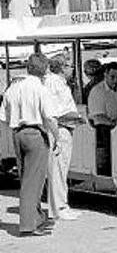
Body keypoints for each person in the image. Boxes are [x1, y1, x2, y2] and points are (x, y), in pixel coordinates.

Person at [0, 53, 60, 237]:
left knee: (25, 175)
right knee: (33, 181)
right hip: (35, 132)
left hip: (17, 132)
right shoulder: (41, 89)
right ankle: (28, 224)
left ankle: (37, 217)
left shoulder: (13, 89)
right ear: (43, 70)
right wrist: (55, 137)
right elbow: (49, 117)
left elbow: (4, 117)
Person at [44, 54, 83, 221]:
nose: (72, 69)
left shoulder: (60, 83)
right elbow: (55, 111)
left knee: (62, 169)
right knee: (58, 169)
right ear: (62, 67)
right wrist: (75, 117)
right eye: (70, 66)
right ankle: (58, 207)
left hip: (66, 127)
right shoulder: (54, 83)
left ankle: (62, 204)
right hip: (60, 128)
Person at [87, 62, 117, 175]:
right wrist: (115, 124)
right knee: (109, 134)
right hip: (104, 126)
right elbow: (98, 117)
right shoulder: (97, 91)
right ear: (106, 74)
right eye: (112, 77)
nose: (116, 80)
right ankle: (110, 171)